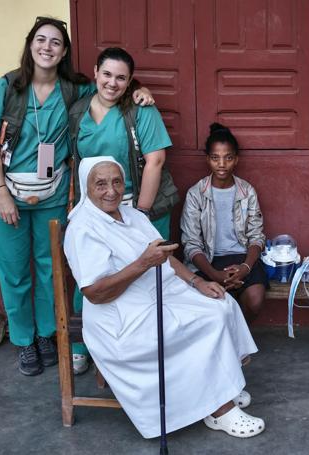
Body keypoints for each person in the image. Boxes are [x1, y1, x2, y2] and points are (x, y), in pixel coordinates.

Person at [0, 17, 150, 376]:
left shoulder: (73, 88)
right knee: (14, 273)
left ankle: (46, 335)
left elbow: (110, 88)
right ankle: (24, 340)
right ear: (30, 44)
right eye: (41, 40)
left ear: (64, 50)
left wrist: (140, 91)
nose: (47, 47)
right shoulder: (7, 87)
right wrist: (2, 194)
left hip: (52, 195)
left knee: (50, 269)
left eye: (56, 42)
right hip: (10, 196)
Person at [64, 156, 265, 439]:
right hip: (121, 316)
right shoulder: (83, 229)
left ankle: (221, 387)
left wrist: (197, 282)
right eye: (100, 184)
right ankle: (220, 410)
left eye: (117, 182)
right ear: (87, 188)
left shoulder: (130, 213)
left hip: (159, 292)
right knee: (203, 322)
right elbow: (95, 294)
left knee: (221, 303)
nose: (111, 190)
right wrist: (143, 263)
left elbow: (164, 256)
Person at [68, 47, 175, 374]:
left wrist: (139, 214)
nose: (112, 83)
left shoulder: (140, 110)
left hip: (141, 207)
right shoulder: (78, 111)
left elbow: (156, 160)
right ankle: (80, 345)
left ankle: (148, 350)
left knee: (150, 279)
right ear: (96, 71)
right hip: (97, 210)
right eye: (107, 74)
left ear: (130, 83)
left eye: (121, 78)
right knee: (93, 278)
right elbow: (73, 161)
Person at [181, 123, 266, 323]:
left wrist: (245, 267)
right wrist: (215, 274)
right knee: (214, 301)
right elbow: (191, 243)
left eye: (228, 158)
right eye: (215, 158)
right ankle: (223, 339)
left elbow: (256, 236)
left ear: (236, 159)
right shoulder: (196, 194)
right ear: (207, 159)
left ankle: (238, 338)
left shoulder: (247, 191)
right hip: (209, 259)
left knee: (255, 300)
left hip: (242, 257)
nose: (221, 164)